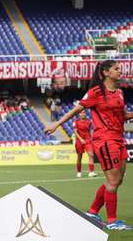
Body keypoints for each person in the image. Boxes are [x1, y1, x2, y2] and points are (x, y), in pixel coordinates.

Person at [46, 60, 132, 230]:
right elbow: (76, 110)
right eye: (116, 69)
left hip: (118, 139)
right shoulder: (96, 92)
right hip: (105, 140)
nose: (120, 71)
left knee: (116, 180)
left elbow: (122, 115)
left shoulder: (119, 93)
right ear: (106, 72)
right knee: (113, 181)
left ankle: (92, 211)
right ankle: (112, 221)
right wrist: (56, 124)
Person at [73, 110, 96, 178]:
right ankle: (79, 172)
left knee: (91, 155)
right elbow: (75, 132)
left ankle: (91, 172)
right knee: (79, 157)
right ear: (79, 114)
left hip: (88, 141)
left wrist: (92, 138)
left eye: (84, 112)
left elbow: (91, 130)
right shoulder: (75, 122)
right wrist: (81, 139)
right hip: (79, 141)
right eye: (81, 112)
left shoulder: (89, 122)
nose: (83, 114)